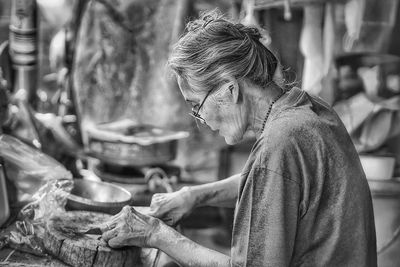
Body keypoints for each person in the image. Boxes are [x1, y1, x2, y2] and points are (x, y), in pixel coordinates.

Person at [100, 9, 377, 266]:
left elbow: (272, 173)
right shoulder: (309, 110)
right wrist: (194, 196)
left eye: (197, 105)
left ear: (231, 90)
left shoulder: (280, 143)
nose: (202, 121)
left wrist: (155, 234)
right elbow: (273, 180)